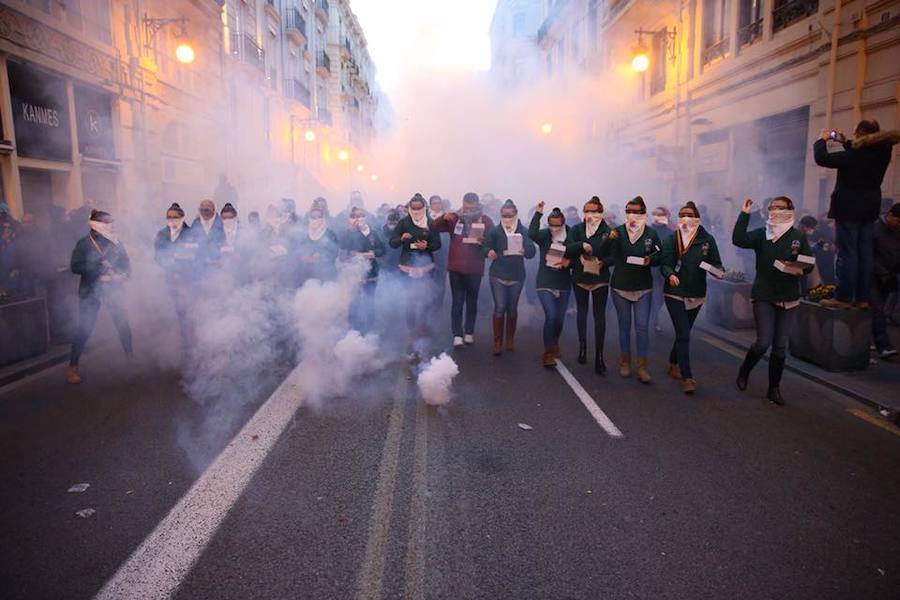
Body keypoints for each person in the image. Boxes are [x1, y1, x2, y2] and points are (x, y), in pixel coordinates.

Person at [733, 196, 813, 405]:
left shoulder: (798, 236)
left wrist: (800, 269)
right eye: (772, 208)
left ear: (790, 210)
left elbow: (808, 262)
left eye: (781, 207)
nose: (776, 211)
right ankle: (744, 370)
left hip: (789, 296)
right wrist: (744, 215)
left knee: (780, 346)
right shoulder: (762, 234)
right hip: (764, 295)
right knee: (763, 342)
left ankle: (774, 388)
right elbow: (739, 240)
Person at [813, 120, 899, 308]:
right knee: (865, 254)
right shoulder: (883, 151)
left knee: (847, 253)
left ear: (860, 133)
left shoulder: (854, 155)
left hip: (848, 208)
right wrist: (845, 141)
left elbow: (822, 158)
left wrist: (822, 140)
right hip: (869, 209)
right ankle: (862, 298)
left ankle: (843, 297)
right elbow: (861, 150)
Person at [660, 201, 724, 394]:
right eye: (682, 215)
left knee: (684, 332)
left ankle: (672, 362)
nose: (685, 218)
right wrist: (670, 274)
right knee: (684, 334)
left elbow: (717, 263)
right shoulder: (672, 239)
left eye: (689, 215)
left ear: (697, 219)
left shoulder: (707, 240)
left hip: (697, 292)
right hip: (674, 292)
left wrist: (718, 271)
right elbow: (665, 263)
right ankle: (687, 377)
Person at [596, 196, 661, 383]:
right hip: (621, 287)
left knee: (642, 327)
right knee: (624, 325)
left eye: (637, 212)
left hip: (643, 287)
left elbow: (660, 254)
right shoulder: (617, 232)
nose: (633, 214)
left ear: (643, 213)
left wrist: (651, 260)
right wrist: (608, 239)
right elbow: (603, 253)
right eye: (629, 211)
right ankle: (625, 362)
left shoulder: (651, 233)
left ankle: (642, 367)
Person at [67, 210, 133, 384]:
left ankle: (130, 357)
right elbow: (75, 266)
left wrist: (123, 275)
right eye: (107, 222)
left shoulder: (116, 242)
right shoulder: (84, 244)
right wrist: (98, 268)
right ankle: (73, 366)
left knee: (122, 322)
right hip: (91, 290)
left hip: (113, 288)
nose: (111, 225)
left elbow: (126, 264)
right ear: (96, 225)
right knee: (85, 327)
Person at [433, 192, 494, 348]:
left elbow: (492, 241)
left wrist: (484, 242)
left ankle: (469, 332)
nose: (468, 211)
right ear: (462, 204)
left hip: (475, 267)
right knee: (457, 301)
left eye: (471, 208)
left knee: (472, 301)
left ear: (477, 205)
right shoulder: (455, 218)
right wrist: (443, 218)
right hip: (456, 267)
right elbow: (434, 227)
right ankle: (457, 334)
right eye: (466, 208)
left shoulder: (485, 220)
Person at [564, 197, 612, 374]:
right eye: (587, 211)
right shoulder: (577, 229)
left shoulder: (608, 231)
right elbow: (567, 248)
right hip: (580, 276)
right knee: (582, 313)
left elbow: (615, 255)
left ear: (601, 213)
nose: (591, 214)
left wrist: (603, 263)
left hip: (600, 278)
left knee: (599, 316)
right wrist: (581, 245)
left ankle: (599, 356)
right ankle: (582, 348)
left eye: (594, 211)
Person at [389, 194, 441, 356]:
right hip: (407, 267)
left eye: (419, 208)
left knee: (425, 299)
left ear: (424, 208)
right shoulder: (404, 223)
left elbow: (437, 244)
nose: (416, 211)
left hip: (426, 267)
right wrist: (401, 238)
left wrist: (427, 245)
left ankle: (423, 327)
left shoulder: (430, 223)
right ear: (409, 208)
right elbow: (392, 243)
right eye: (414, 208)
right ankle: (411, 333)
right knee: (410, 301)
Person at [483, 199, 536, 355]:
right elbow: (484, 246)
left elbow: (532, 251)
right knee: (500, 307)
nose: (506, 218)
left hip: (516, 275)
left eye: (509, 216)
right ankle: (497, 342)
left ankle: (510, 339)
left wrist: (525, 251)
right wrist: (488, 252)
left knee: (512, 308)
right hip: (498, 274)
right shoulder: (495, 231)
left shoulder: (523, 231)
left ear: (515, 215)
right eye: (504, 216)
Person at [529, 202, 572, 367]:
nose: (554, 229)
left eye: (557, 226)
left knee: (559, 319)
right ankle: (548, 353)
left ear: (563, 224)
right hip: (545, 280)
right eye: (551, 225)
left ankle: (554, 343)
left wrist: (569, 262)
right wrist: (538, 213)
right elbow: (532, 233)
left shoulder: (571, 234)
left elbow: (578, 252)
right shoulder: (545, 235)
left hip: (563, 281)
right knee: (551, 315)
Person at [154, 203, 197, 357]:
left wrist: (182, 261)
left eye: (175, 217)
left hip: (189, 278)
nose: (172, 219)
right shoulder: (162, 234)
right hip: (171, 277)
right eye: (169, 217)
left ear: (182, 217)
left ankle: (192, 341)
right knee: (179, 309)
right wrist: (170, 264)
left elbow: (196, 253)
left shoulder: (190, 233)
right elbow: (158, 255)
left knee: (191, 309)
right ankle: (184, 340)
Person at [340, 205, 386, 333]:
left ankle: (369, 330)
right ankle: (352, 329)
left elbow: (383, 250)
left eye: (361, 216)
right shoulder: (347, 234)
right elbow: (342, 255)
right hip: (353, 274)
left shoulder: (373, 233)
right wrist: (356, 255)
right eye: (355, 216)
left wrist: (373, 254)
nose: (358, 219)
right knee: (354, 302)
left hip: (371, 274)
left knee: (369, 301)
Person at [872, 203, 900, 358]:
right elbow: (869, 255)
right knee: (877, 308)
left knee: (878, 308)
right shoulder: (875, 228)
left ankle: (870, 340)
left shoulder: (896, 231)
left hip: (889, 276)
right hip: (872, 276)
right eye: (898, 221)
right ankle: (883, 346)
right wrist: (882, 272)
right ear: (890, 215)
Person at [299, 203, 339, 282]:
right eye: (313, 217)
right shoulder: (305, 234)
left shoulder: (330, 234)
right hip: (307, 273)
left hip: (326, 273)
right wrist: (303, 256)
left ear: (323, 218)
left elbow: (335, 251)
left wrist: (321, 256)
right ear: (309, 218)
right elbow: (299, 249)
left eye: (319, 217)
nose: (316, 219)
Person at [649, 206, 674, 334]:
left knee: (660, 297)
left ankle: (654, 316)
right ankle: (652, 320)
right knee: (652, 295)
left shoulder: (670, 232)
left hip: (664, 269)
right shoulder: (647, 231)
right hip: (649, 269)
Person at [429, 194, 450, 312]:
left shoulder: (447, 217)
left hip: (443, 253)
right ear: (430, 205)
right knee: (429, 279)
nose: (437, 205)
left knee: (440, 280)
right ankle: (428, 303)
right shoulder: (426, 217)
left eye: (438, 203)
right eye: (434, 203)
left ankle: (438, 305)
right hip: (429, 253)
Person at [191, 199, 225, 269]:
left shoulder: (222, 223)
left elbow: (225, 243)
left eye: (206, 210)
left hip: (218, 264)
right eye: (201, 210)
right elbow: (191, 241)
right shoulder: (196, 223)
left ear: (213, 210)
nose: (204, 213)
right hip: (200, 265)